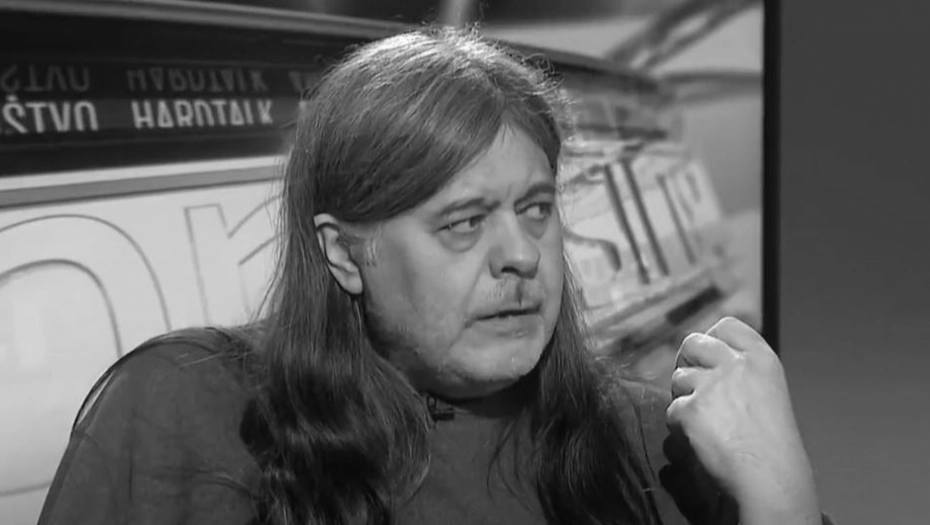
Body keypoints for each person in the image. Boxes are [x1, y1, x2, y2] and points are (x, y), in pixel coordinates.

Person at [38, 26, 828, 525]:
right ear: (345, 253)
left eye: (536, 208)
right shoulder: (184, 408)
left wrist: (781, 498)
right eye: (464, 222)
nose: (521, 254)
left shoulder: (654, 441)